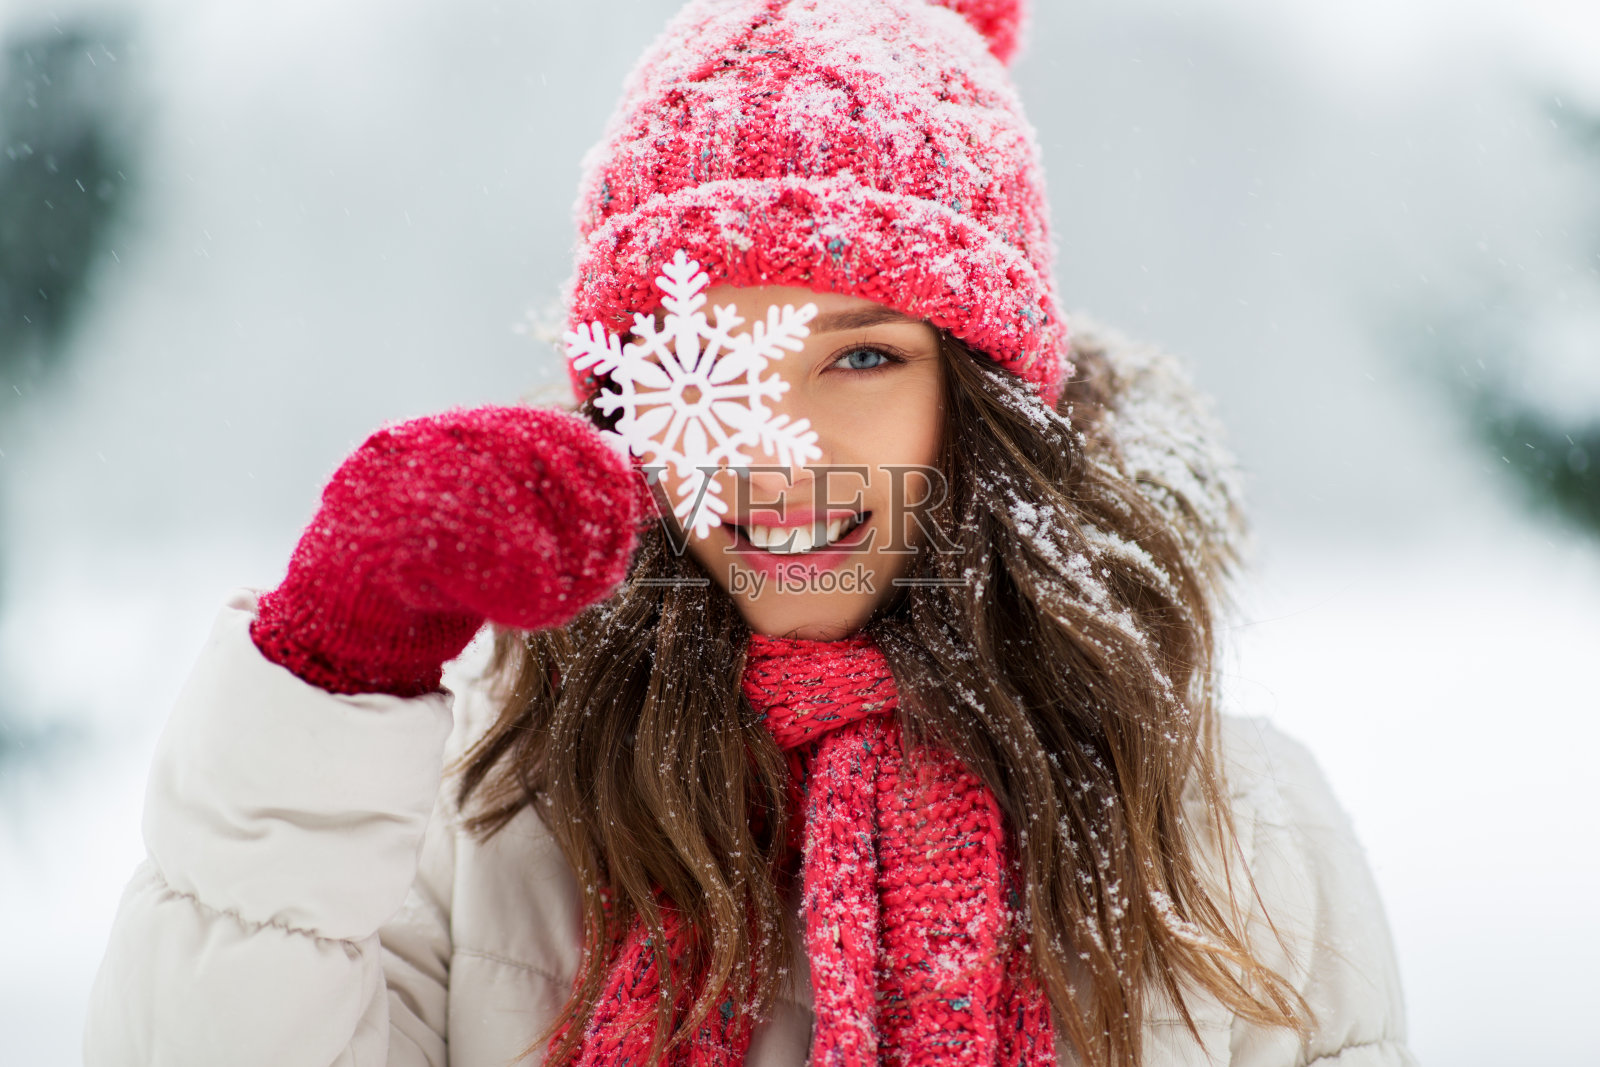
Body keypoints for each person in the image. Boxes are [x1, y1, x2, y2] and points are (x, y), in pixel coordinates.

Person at [83, 1, 1416, 1065]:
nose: (774, 451)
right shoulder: (489, 821)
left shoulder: (1229, 833)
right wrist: (335, 677)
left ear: (978, 399)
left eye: (859, 361)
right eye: (709, 361)